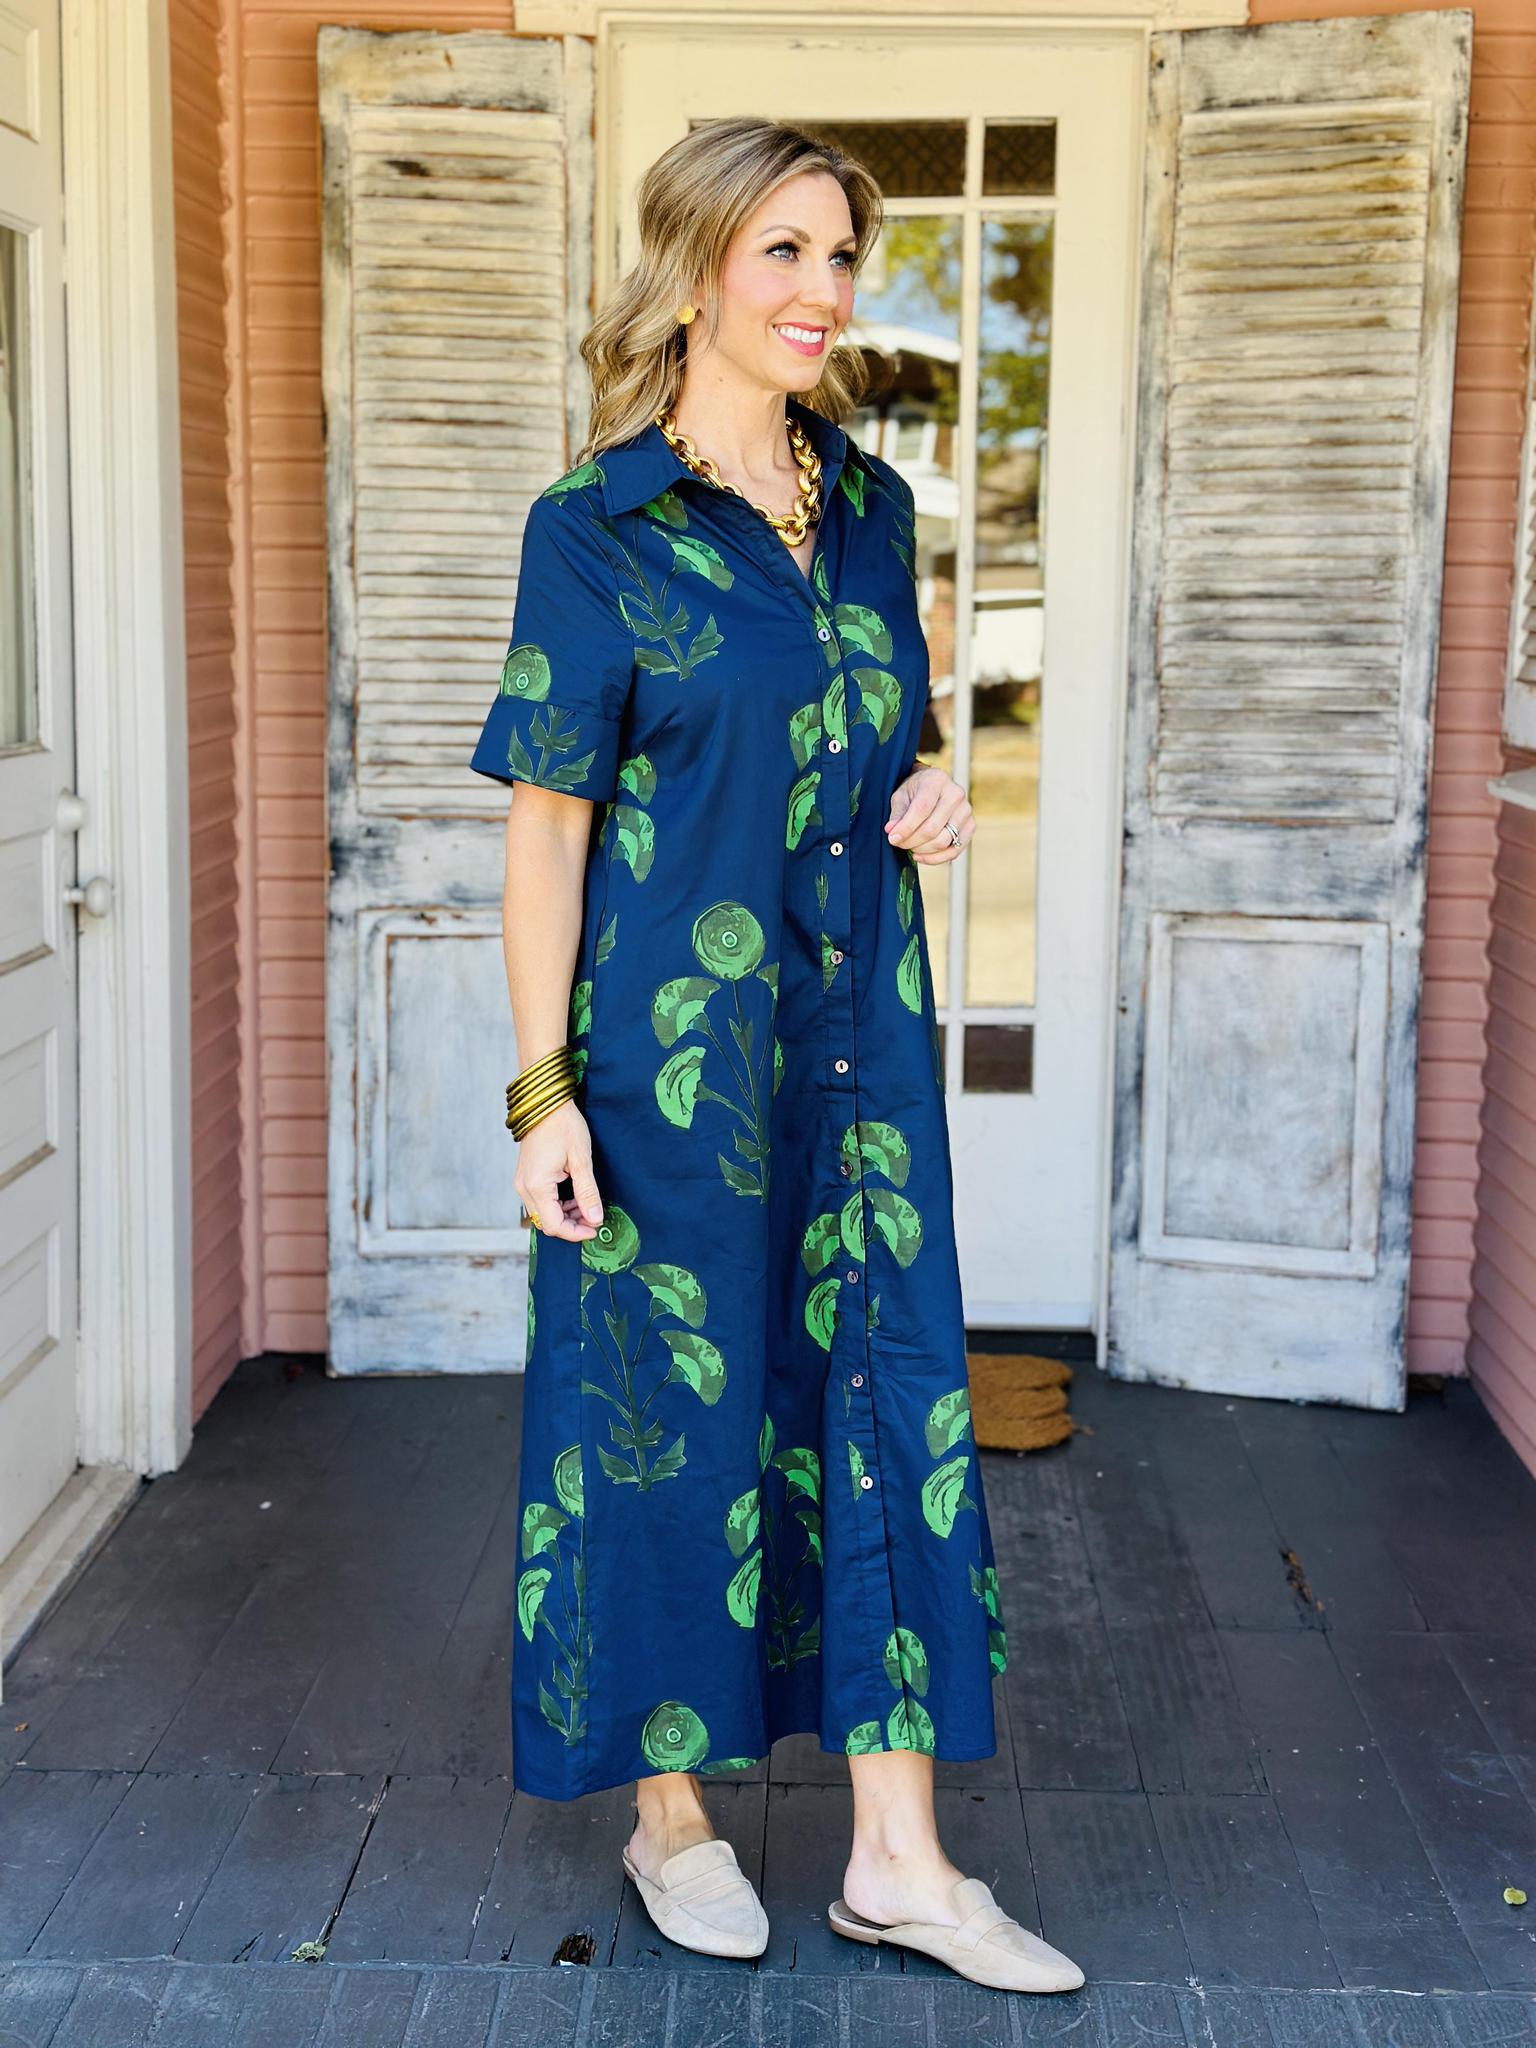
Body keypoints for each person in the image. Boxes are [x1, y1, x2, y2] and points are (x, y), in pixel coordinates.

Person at [468, 115, 1084, 1998]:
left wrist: (928, 792)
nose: (825, 292)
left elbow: (886, 737)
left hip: (855, 1048)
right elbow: (547, 835)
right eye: (785, 253)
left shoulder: (874, 510)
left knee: (888, 1398)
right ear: (697, 271)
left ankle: (899, 1858)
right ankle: (670, 1819)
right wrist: (542, 1095)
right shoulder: (596, 528)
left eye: (841, 256)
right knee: (669, 1416)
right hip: (666, 1069)